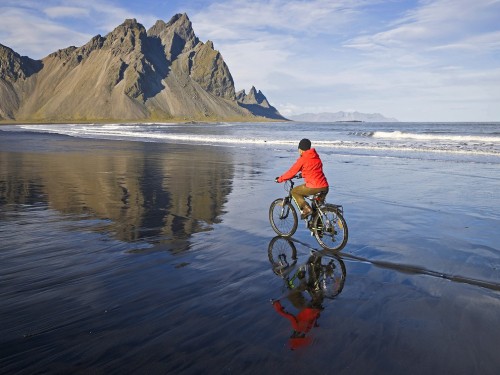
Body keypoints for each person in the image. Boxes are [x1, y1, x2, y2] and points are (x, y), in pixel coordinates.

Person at [275, 138, 329, 219]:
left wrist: (280, 179)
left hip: (314, 187)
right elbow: (314, 170)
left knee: (294, 192)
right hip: (324, 187)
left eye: (299, 149)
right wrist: (302, 174)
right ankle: (318, 229)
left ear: (301, 149)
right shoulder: (316, 157)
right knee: (317, 209)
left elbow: (292, 172)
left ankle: (306, 209)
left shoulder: (303, 159)